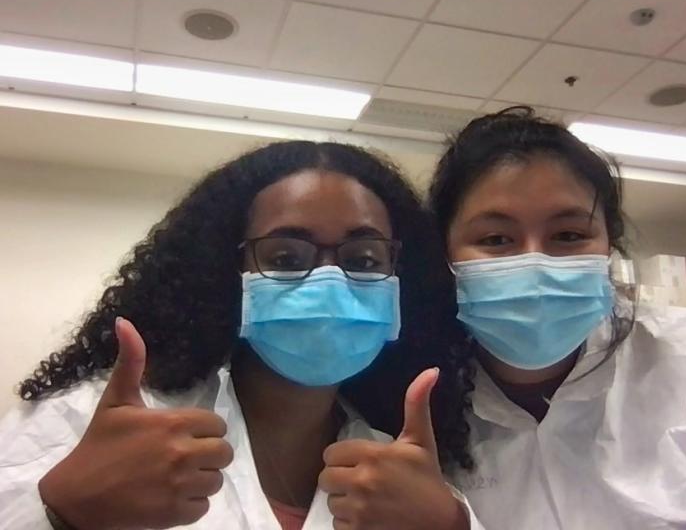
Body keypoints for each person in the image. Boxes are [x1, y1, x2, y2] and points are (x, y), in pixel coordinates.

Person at [0, 141, 476, 530]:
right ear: (227, 271)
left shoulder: (400, 470)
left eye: (364, 260)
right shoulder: (86, 423)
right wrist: (62, 514)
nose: (329, 281)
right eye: (287, 259)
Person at [424, 106, 686, 529]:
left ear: (608, 247)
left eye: (568, 235)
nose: (536, 262)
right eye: (496, 239)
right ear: (444, 255)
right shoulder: (415, 405)